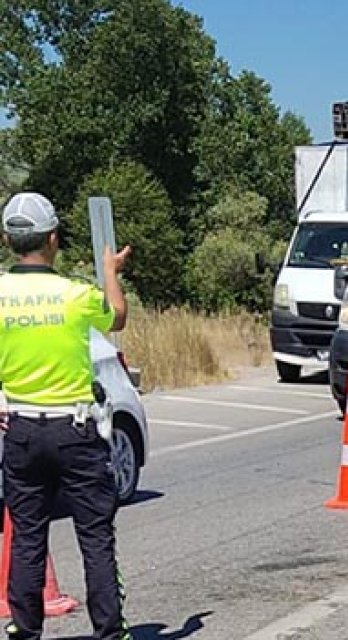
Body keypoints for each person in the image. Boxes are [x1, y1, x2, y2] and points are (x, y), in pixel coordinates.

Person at [0, 193, 132, 640]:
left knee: (27, 537)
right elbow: (117, 317)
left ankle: (25, 630)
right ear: (53, 239)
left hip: (21, 428)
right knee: (95, 536)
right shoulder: (75, 294)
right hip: (75, 429)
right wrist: (110, 272)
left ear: (7, 240)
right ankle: (110, 632)